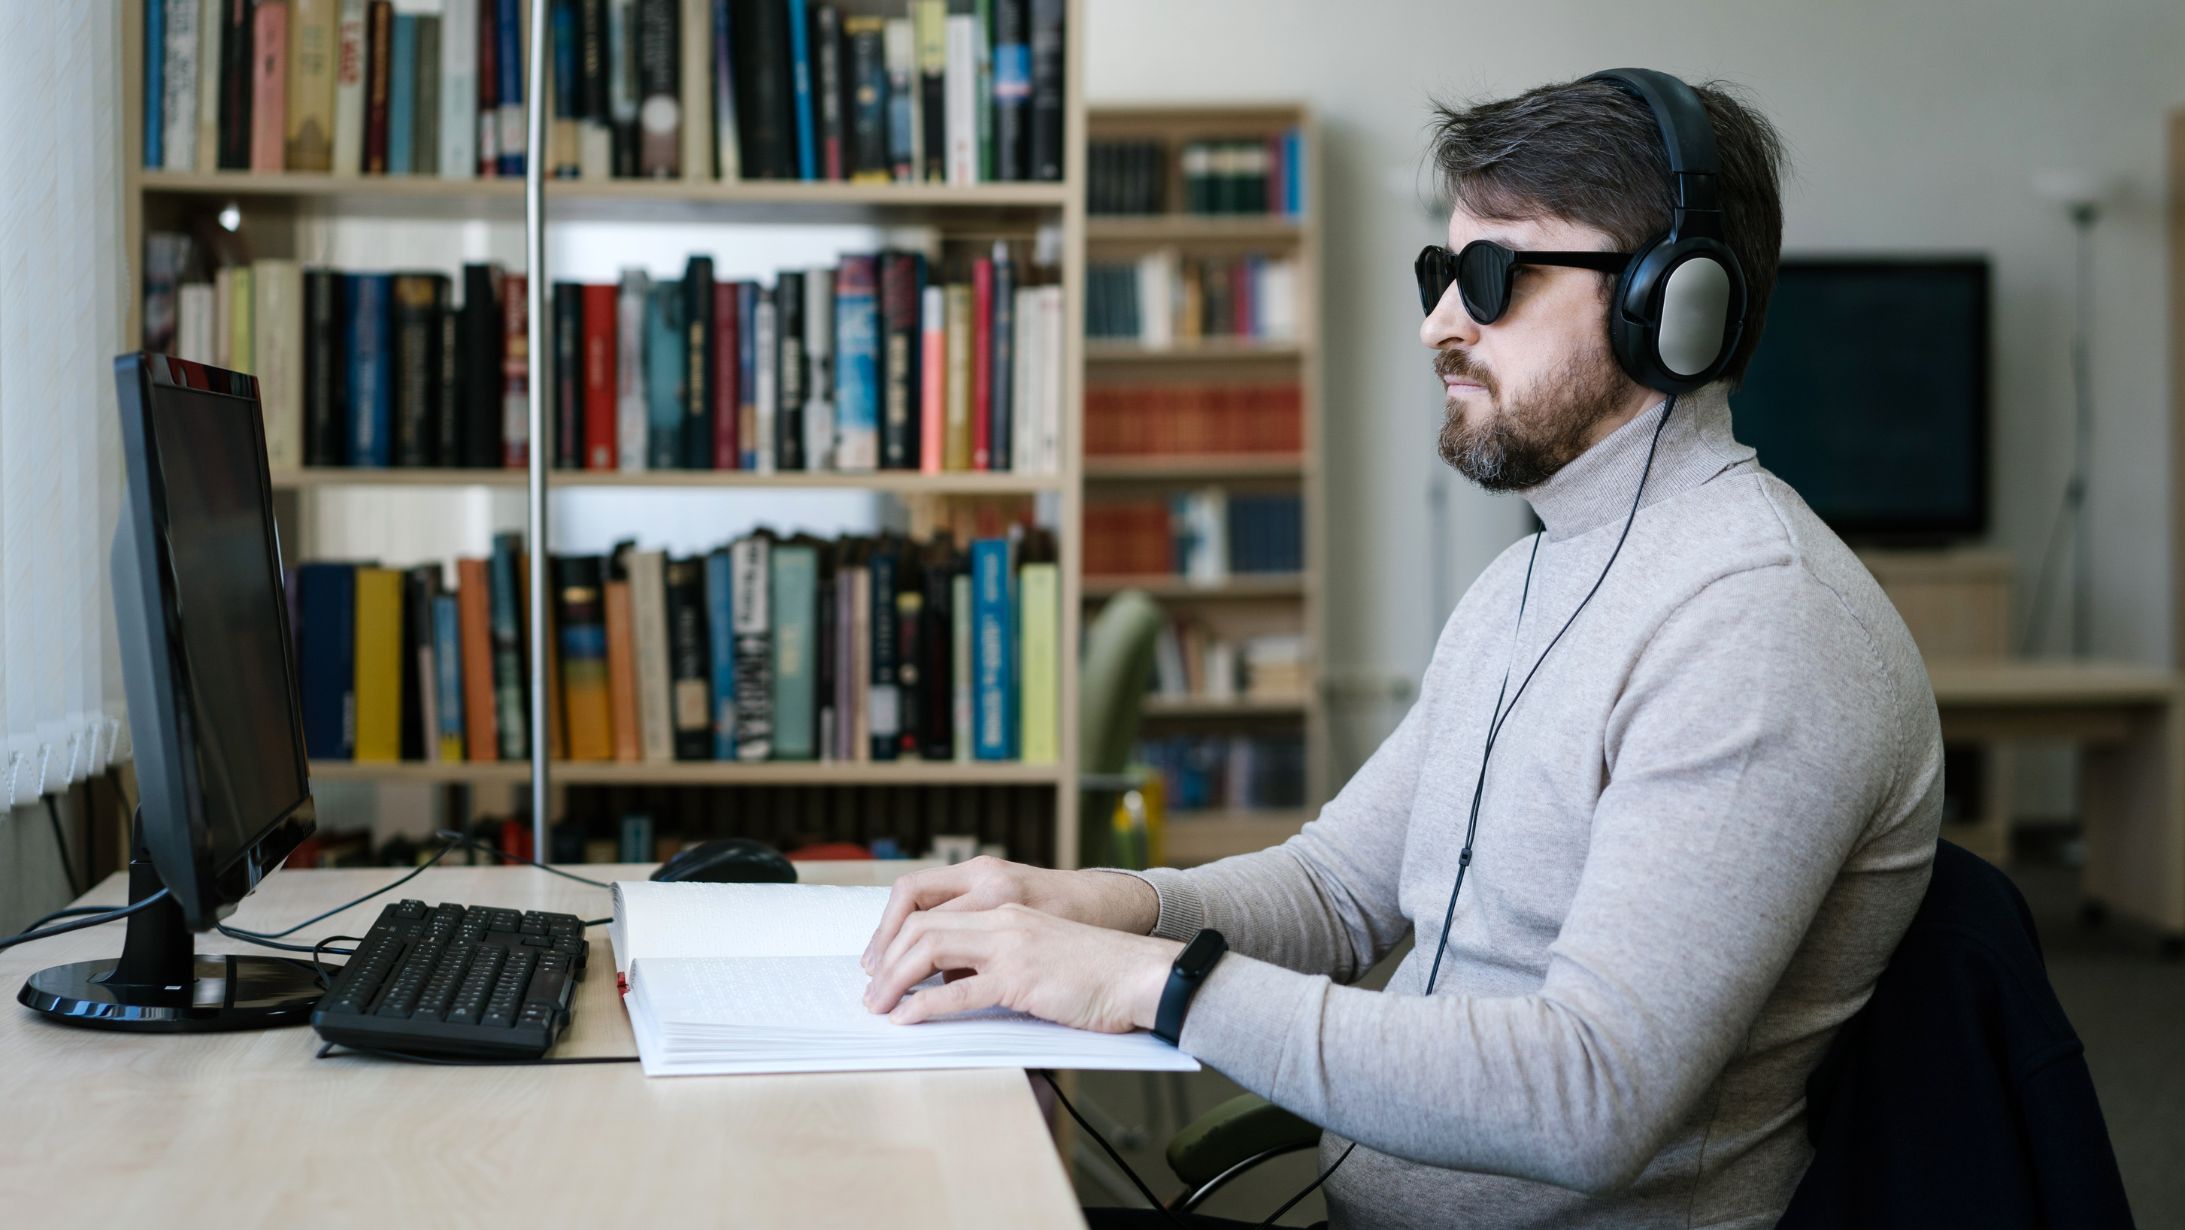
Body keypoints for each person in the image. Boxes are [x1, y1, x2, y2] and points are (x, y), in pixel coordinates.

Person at [859, 70, 1943, 1229]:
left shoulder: (1760, 627)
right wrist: (1082, 906)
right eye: (1440, 274)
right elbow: (1333, 893)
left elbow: (1593, 1094)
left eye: (1491, 277)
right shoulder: (1531, 577)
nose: (1438, 322)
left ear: (1668, 305)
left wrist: (1146, 987)